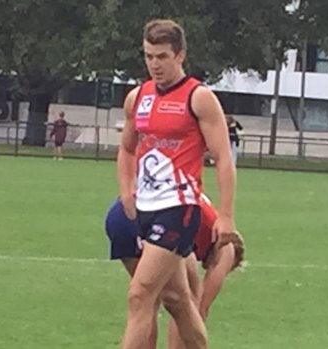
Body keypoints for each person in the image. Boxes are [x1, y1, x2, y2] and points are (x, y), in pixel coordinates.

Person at [117, 18, 236, 349]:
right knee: (179, 302)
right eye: (149, 56)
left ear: (180, 55)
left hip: (178, 209)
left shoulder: (198, 98)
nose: (155, 64)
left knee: (140, 294)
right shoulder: (137, 97)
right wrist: (125, 189)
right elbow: (127, 148)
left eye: (162, 56)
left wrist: (225, 215)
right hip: (144, 208)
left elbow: (224, 159)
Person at [104, 195, 244, 349]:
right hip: (165, 221)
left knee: (147, 300)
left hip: (121, 214)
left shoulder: (204, 227)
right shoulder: (227, 249)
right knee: (187, 300)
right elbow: (201, 307)